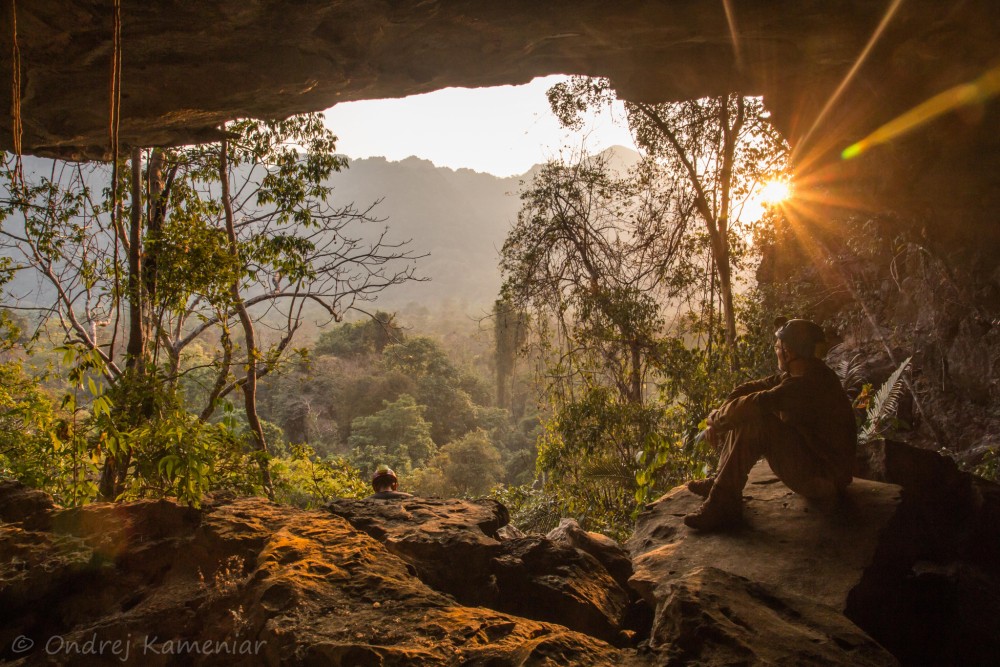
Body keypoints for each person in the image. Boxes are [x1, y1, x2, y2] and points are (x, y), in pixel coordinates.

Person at [684, 317, 857, 531]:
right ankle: (721, 482)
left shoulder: (804, 386)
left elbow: (756, 404)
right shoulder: (806, 374)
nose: (776, 351)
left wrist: (716, 421)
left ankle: (724, 503)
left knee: (757, 419)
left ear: (790, 352)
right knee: (745, 411)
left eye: (777, 347)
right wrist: (719, 416)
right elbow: (749, 390)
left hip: (825, 480)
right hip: (822, 471)